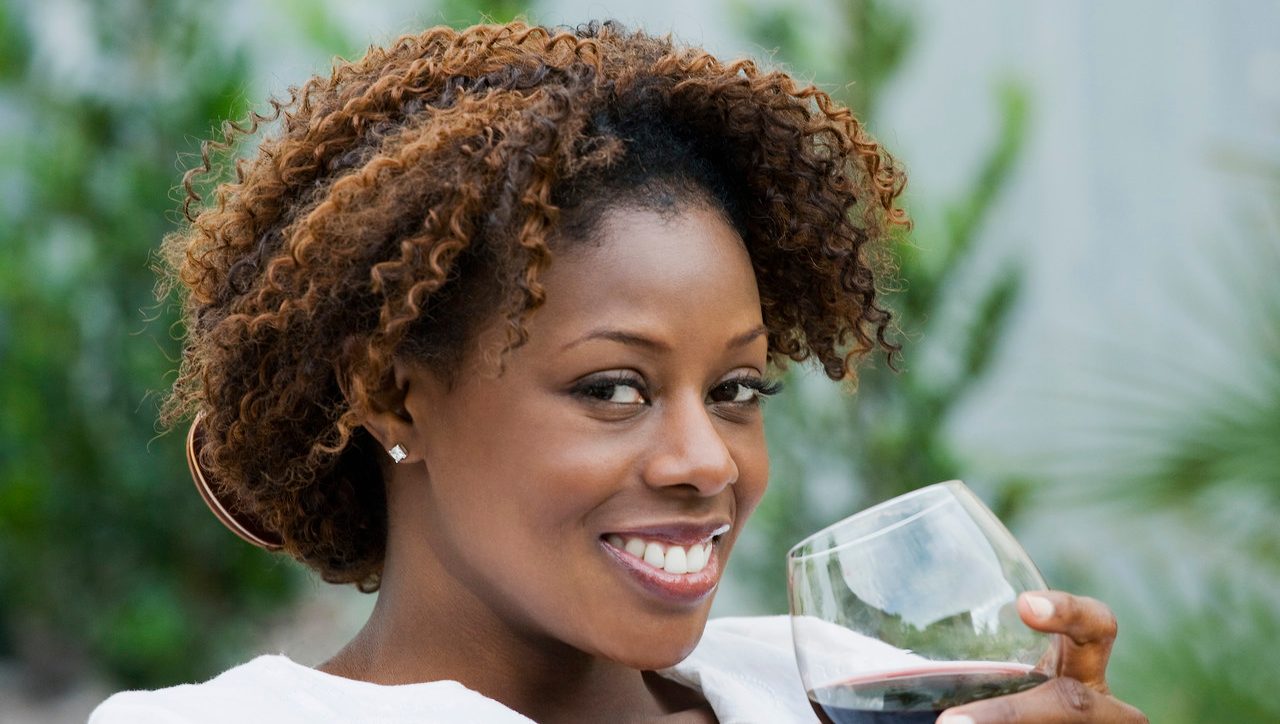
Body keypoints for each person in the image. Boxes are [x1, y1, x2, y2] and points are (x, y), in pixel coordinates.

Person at [91, 20, 1147, 723]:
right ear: (388, 390)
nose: (703, 461)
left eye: (736, 390)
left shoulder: (811, 677)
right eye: (614, 389)